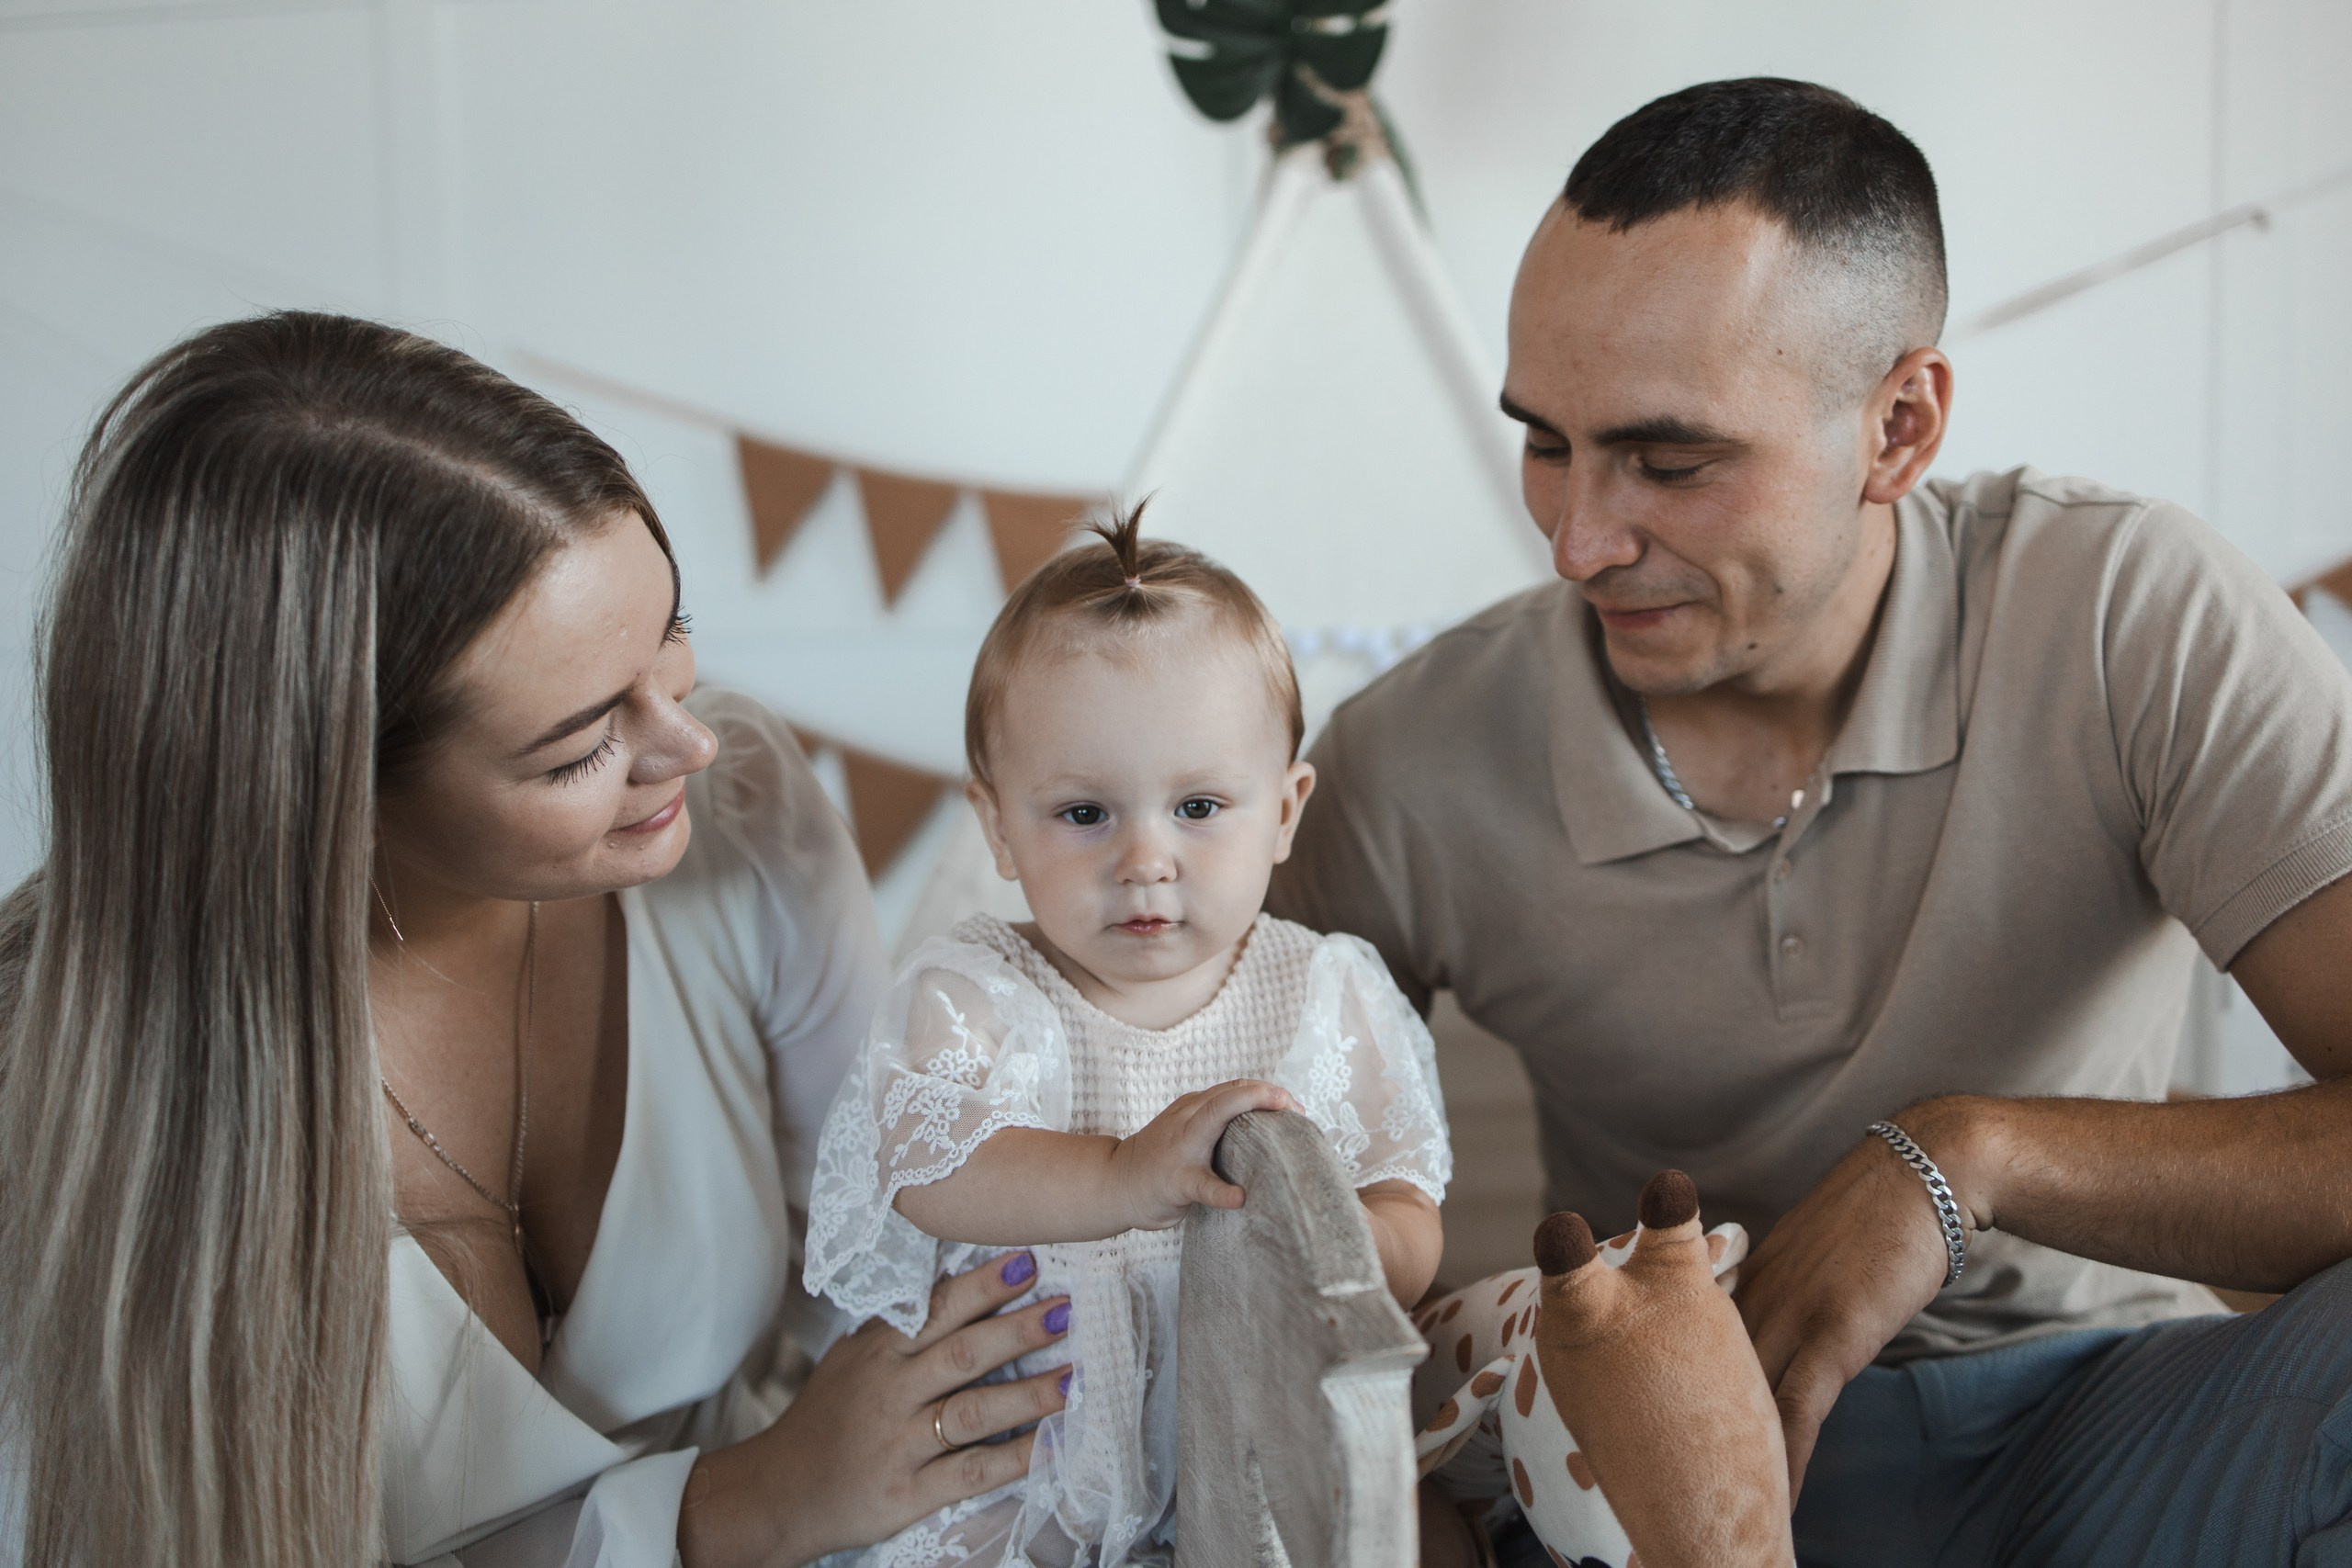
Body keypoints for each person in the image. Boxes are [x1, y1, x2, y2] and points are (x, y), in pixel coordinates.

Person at [1272, 77, 2352, 1567]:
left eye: (1670, 458)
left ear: (1897, 426)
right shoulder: (1409, 762)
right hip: (1658, 1483)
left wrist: (1970, 1159)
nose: (1582, 537)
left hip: (2105, 1421)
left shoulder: (2128, 616)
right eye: (1546, 443)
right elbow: (1243, 1228)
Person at [0, 312, 1074, 1568]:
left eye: (673, 639)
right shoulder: (58, 1110)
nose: (688, 745)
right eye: (578, 748)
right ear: (321, 794)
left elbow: (892, 1235)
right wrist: (740, 1502)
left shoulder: (736, 824)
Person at [804, 507, 1451, 1566]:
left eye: (1198, 806)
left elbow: (1404, 1199)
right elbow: (925, 1164)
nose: (1145, 859)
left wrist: (1345, 1250)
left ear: (1284, 812)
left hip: (1252, 1447)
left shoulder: (1324, 992)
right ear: (998, 826)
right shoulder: (976, 990)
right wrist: (1123, 1173)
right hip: (1027, 1459)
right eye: (1084, 815)